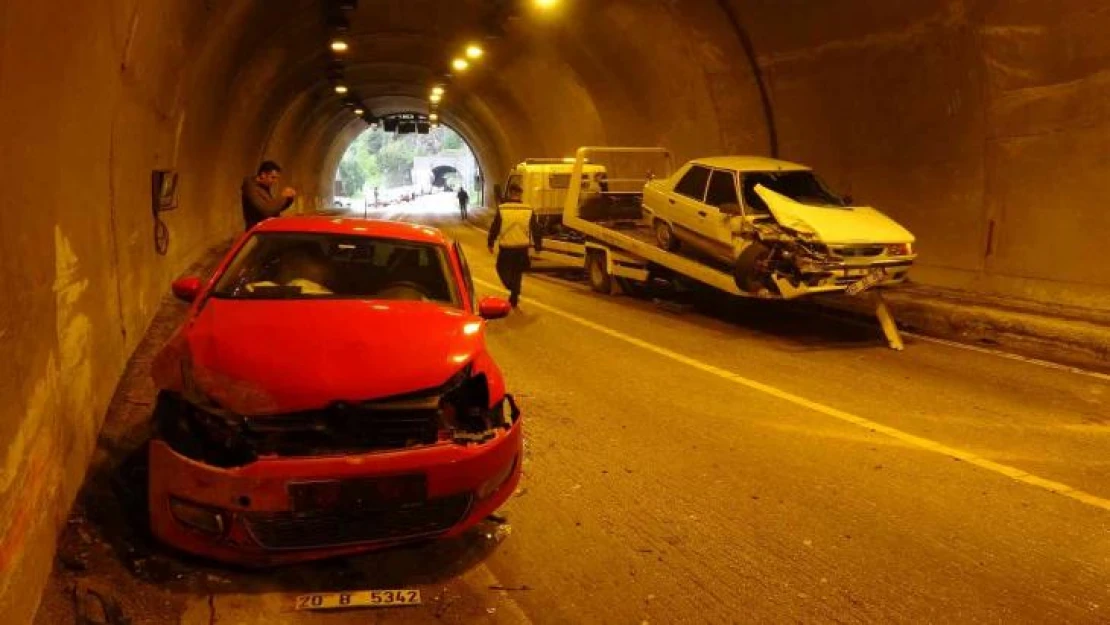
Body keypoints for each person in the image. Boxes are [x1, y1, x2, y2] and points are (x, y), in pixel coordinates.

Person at [487, 184, 542, 309]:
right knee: (517, 273)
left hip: (507, 247)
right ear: (520, 194)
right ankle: (514, 297)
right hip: (522, 247)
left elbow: (495, 227)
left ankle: (512, 288)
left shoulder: (502, 209)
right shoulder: (528, 209)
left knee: (501, 269)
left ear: (510, 193)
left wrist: (491, 242)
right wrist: (538, 245)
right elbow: (535, 228)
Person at [241, 161, 296, 230]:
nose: (275, 181)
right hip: (257, 231)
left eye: (276, 178)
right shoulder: (251, 189)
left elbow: (275, 208)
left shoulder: (264, 187)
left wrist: (289, 199)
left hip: (267, 229)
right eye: (272, 178)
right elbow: (267, 210)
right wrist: (283, 197)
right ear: (263, 175)